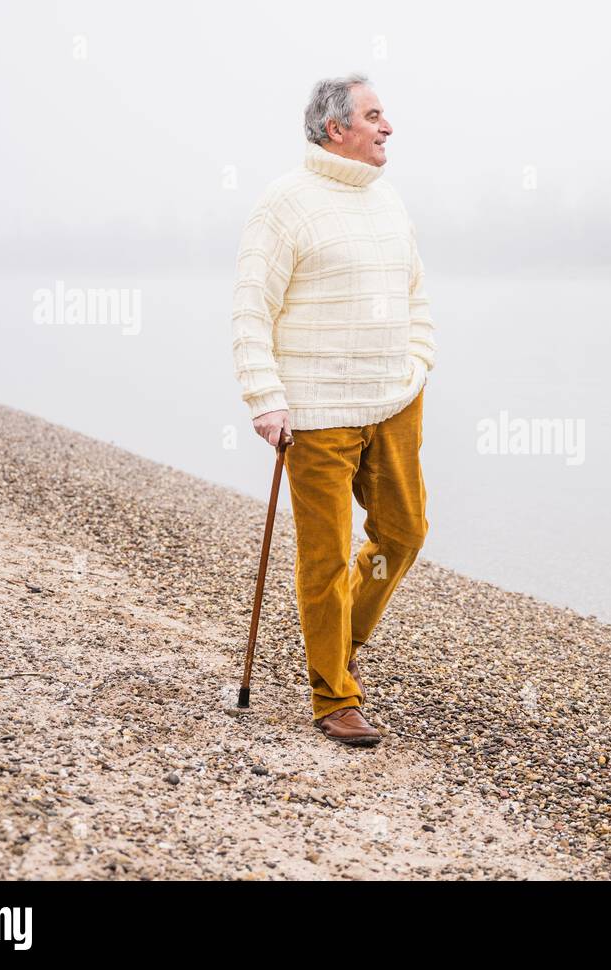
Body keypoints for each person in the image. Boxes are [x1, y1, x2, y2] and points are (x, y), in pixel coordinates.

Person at [230, 73, 436, 747]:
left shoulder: (388, 202)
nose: (388, 127)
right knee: (323, 557)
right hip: (317, 410)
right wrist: (265, 398)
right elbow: (251, 306)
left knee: (402, 534)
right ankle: (332, 695)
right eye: (374, 116)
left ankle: (340, 636)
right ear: (334, 129)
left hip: (395, 400)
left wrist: (420, 360)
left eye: (385, 116)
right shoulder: (285, 203)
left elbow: (416, 295)